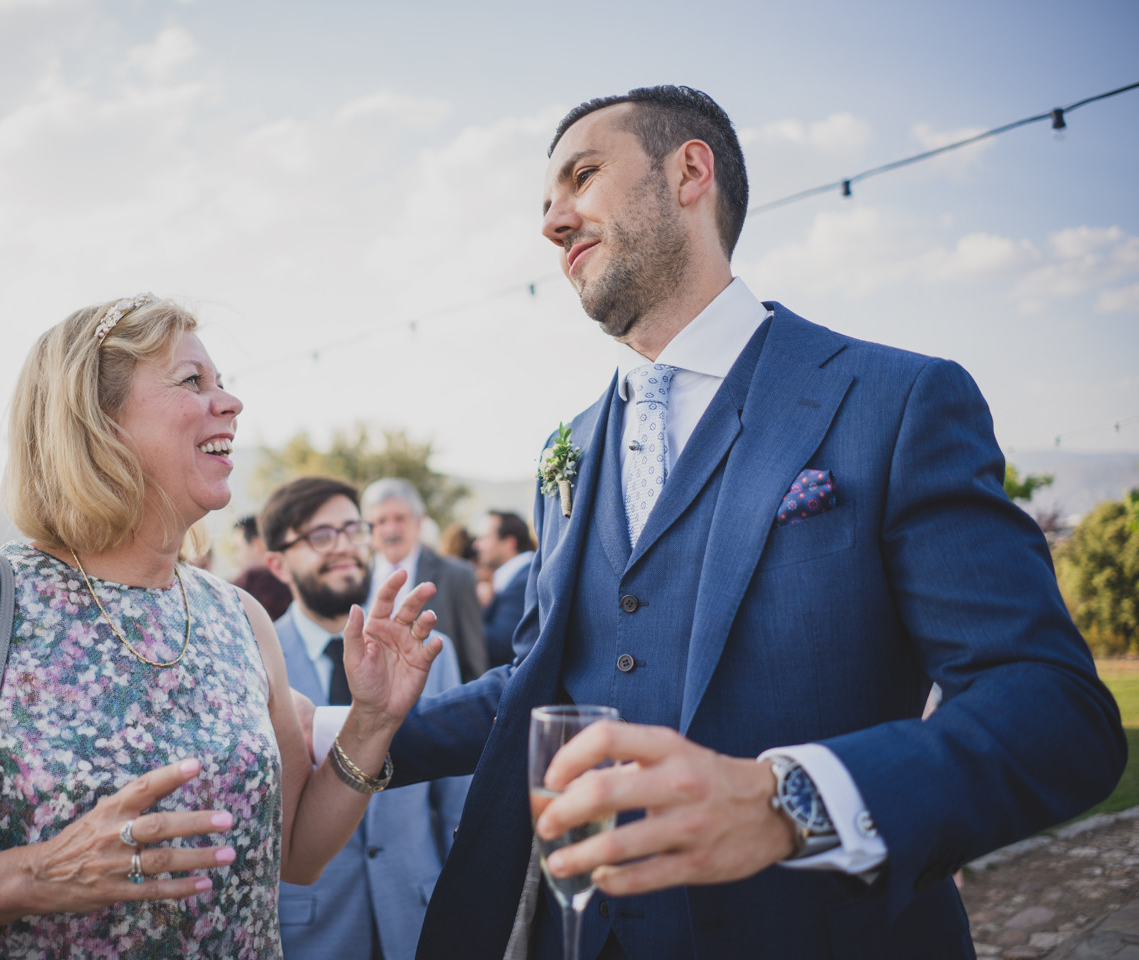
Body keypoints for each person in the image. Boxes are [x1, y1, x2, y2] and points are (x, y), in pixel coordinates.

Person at [387, 86, 1126, 960]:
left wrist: (791, 802)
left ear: (690, 170)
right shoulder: (570, 449)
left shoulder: (896, 401)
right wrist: (346, 731)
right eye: (545, 204)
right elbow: (544, 680)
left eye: (581, 177)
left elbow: (1054, 708)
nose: (552, 223)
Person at [0, 294, 445, 958]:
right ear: (96, 421)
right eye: (193, 382)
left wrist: (371, 722)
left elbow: (296, 857)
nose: (230, 403)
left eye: (221, 383)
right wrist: (35, 876)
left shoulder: (241, 619)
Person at [260, 476, 470, 960]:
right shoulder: (254, 660)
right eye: (320, 536)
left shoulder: (425, 650)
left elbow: (458, 800)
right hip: (308, 930)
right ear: (276, 562)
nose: (346, 548)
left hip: (416, 917)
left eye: (354, 530)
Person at [362, 478, 487, 682]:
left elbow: (474, 661)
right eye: (381, 521)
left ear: (419, 522)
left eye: (400, 519)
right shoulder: (356, 578)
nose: (391, 530)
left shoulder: (457, 575)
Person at [472, 511, 535, 671]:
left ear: (509, 543)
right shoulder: (516, 577)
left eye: (484, 538)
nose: (476, 545)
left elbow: (501, 644)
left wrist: (470, 610)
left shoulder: (525, 581)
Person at [231, 515, 291, 622]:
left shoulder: (247, 586)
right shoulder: (295, 576)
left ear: (257, 545)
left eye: (237, 548)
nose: (235, 558)